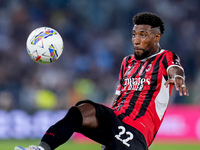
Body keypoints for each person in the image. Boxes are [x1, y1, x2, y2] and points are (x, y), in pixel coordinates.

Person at [14, 12, 189, 150]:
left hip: (137, 132)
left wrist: (178, 76)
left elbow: (175, 68)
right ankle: (42, 148)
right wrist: (108, 133)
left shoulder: (166, 57)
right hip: (114, 119)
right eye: (134, 34)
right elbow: (119, 97)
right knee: (79, 111)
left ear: (156, 37)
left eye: (142, 35)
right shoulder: (127, 62)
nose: (135, 40)